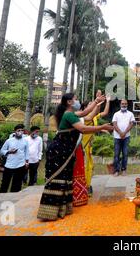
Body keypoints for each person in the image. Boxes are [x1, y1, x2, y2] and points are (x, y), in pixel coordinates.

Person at [37, 93, 113, 221]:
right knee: (58, 180)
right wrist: (102, 127)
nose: (78, 101)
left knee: (66, 179)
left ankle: (61, 210)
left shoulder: (71, 114)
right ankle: (49, 213)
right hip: (59, 152)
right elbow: (83, 129)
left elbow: (85, 114)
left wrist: (96, 101)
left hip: (65, 151)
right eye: (75, 99)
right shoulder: (68, 114)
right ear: (69, 102)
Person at [80, 91, 111, 199]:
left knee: (90, 166)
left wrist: (107, 101)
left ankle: (87, 185)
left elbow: (104, 112)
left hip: (89, 146)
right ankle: (84, 187)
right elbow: (87, 126)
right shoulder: (84, 117)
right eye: (89, 105)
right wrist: (97, 102)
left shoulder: (92, 116)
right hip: (82, 145)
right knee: (84, 167)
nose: (91, 106)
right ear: (84, 108)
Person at [0, 124, 29, 193]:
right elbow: (2, 151)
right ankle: (1, 197)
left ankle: (14, 199)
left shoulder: (25, 141)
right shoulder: (9, 141)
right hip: (9, 165)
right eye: (18, 130)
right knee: (5, 184)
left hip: (20, 165)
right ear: (14, 131)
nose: (20, 132)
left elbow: (27, 152)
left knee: (17, 184)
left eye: (22, 130)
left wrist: (27, 162)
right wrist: (9, 151)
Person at [112, 99, 135, 177]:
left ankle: (124, 169)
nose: (124, 105)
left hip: (126, 137)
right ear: (120, 104)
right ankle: (116, 171)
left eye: (125, 104)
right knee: (116, 154)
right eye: (122, 103)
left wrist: (124, 133)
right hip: (117, 137)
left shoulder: (131, 114)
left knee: (125, 154)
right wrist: (120, 133)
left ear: (127, 104)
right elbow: (114, 124)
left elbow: (132, 124)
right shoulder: (116, 114)